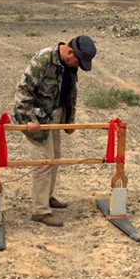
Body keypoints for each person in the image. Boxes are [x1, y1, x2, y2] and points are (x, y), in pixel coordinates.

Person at [12, 35, 97, 227]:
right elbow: (23, 90)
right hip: (35, 119)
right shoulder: (44, 59)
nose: (78, 66)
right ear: (70, 52)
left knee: (55, 158)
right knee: (44, 162)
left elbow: (70, 92)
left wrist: (69, 119)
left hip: (54, 117)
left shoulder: (70, 65)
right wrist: (30, 120)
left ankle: (47, 197)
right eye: (78, 62)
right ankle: (40, 211)